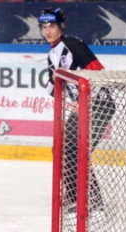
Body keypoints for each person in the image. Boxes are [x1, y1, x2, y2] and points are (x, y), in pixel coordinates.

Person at [40, 7, 113, 211]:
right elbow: (57, 86)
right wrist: (53, 88)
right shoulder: (52, 54)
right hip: (84, 108)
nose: (47, 31)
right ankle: (75, 196)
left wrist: (82, 101)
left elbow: (98, 72)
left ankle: (91, 200)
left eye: (52, 26)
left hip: (100, 104)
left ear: (60, 27)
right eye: (44, 27)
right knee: (62, 148)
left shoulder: (73, 44)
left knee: (76, 148)